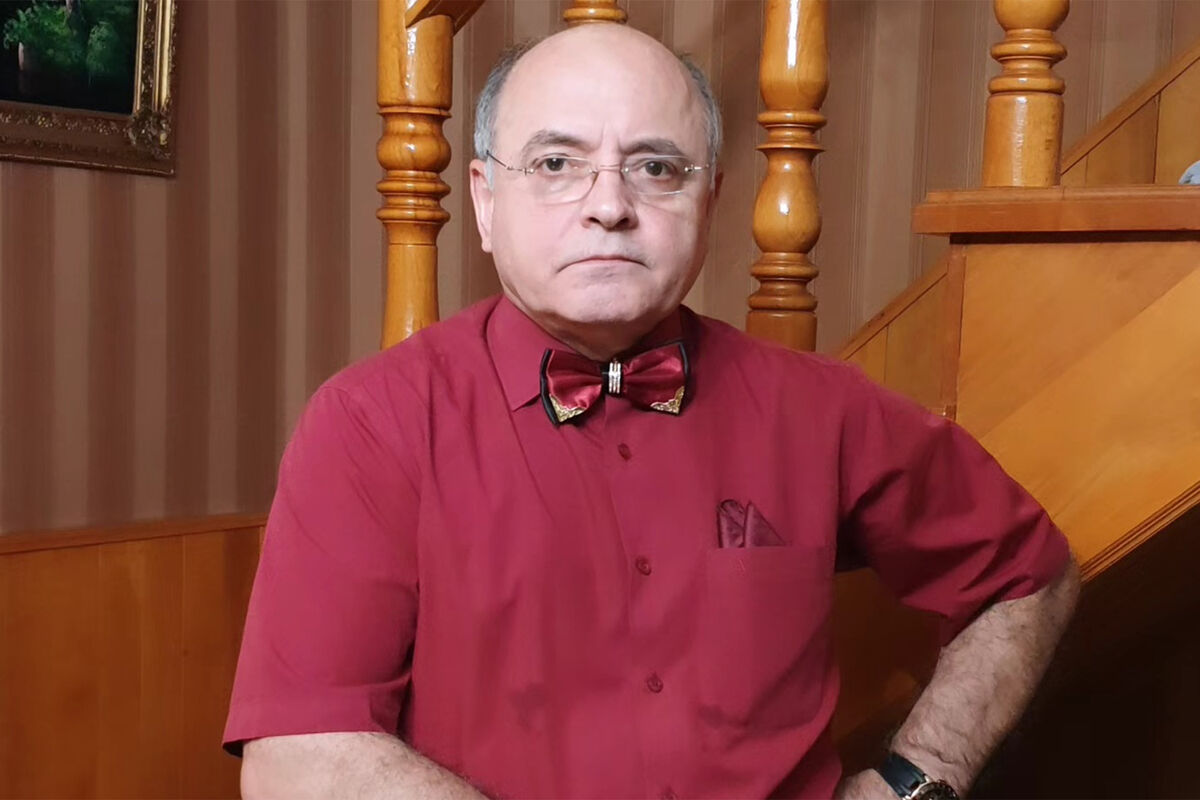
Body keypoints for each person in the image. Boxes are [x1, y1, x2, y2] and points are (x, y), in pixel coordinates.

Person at [224, 23, 1079, 800]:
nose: (609, 205)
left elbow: (1029, 576)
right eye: (556, 164)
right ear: (485, 201)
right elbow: (300, 753)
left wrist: (917, 780)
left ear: (709, 201)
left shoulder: (826, 410)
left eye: (656, 167)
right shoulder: (369, 424)